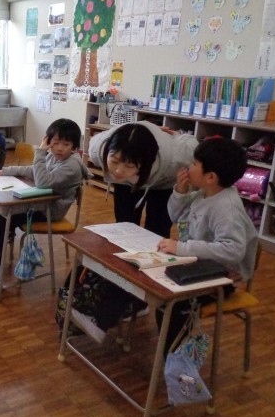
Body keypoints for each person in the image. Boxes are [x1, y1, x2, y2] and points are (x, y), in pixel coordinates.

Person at [75, 122, 199, 343]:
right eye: (114, 161)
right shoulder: (98, 148)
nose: (118, 170)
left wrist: (178, 134)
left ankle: (141, 300)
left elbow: (193, 144)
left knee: (157, 235)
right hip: (128, 182)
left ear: (144, 163)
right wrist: (123, 168)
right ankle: (122, 292)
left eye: (128, 165)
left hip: (163, 181)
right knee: (124, 229)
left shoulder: (176, 157)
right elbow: (118, 164)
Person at [156, 137, 258, 353]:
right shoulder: (204, 194)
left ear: (211, 177)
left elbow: (233, 251)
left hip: (223, 278)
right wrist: (180, 192)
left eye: (194, 163)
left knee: (172, 303)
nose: (188, 167)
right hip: (199, 266)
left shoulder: (226, 208)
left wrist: (182, 248)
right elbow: (176, 217)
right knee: (160, 292)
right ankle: (171, 354)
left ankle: (174, 359)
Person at [0, 118, 90, 296]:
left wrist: (40, 151)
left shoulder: (71, 165)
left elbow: (42, 182)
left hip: (49, 212)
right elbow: (34, 170)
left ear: (74, 146)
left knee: (1, 224)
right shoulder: (54, 156)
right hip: (40, 204)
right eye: (55, 143)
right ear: (49, 140)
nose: (60, 148)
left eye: (66, 144)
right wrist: (6, 171)